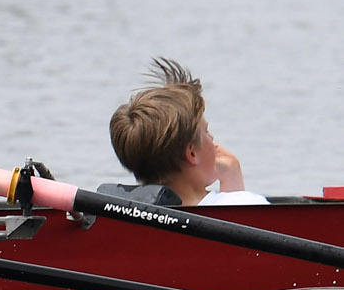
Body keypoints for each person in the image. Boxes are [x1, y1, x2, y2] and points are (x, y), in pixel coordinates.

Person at [104, 58, 262, 206]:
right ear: (192, 153)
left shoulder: (123, 215)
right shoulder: (246, 203)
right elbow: (243, 221)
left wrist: (230, 176)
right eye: (206, 131)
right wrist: (234, 182)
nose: (212, 138)